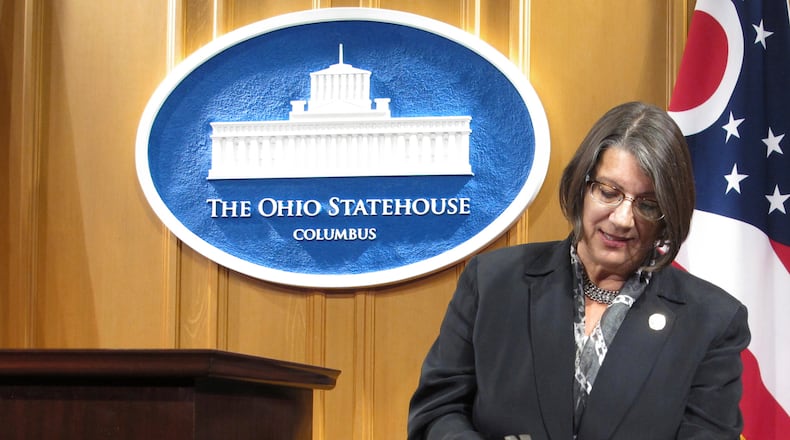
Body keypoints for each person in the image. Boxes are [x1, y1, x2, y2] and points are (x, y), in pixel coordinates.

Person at [407, 101, 751, 440]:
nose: (621, 219)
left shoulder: (713, 320)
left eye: (647, 204)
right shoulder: (492, 282)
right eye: (608, 192)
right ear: (581, 186)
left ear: (668, 215)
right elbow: (437, 412)